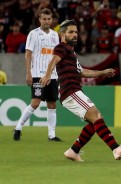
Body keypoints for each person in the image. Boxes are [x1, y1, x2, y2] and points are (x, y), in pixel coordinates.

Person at [40, 20, 121, 161]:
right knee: (96, 115)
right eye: (71, 32)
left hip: (73, 91)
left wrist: (102, 72)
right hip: (70, 91)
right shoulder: (62, 47)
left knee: (94, 121)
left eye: (76, 32)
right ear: (62, 34)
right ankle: (116, 148)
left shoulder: (71, 53)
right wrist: (47, 74)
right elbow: (53, 60)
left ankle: (73, 151)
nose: (75, 35)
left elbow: (83, 72)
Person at [13, 8, 61, 141]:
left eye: (49, 19)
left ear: (52, 20)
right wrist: (28, 73)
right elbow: (28, 54)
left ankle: (51, 135)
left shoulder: (55, 35)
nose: (46, 21)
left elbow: (57, 55)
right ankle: (18, 127)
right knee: (35, 103)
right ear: (39, 20)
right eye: (44, 19)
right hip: (37, 74)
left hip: (52, 75)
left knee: (52, 104)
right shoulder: (33, 34)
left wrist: (58, 72)